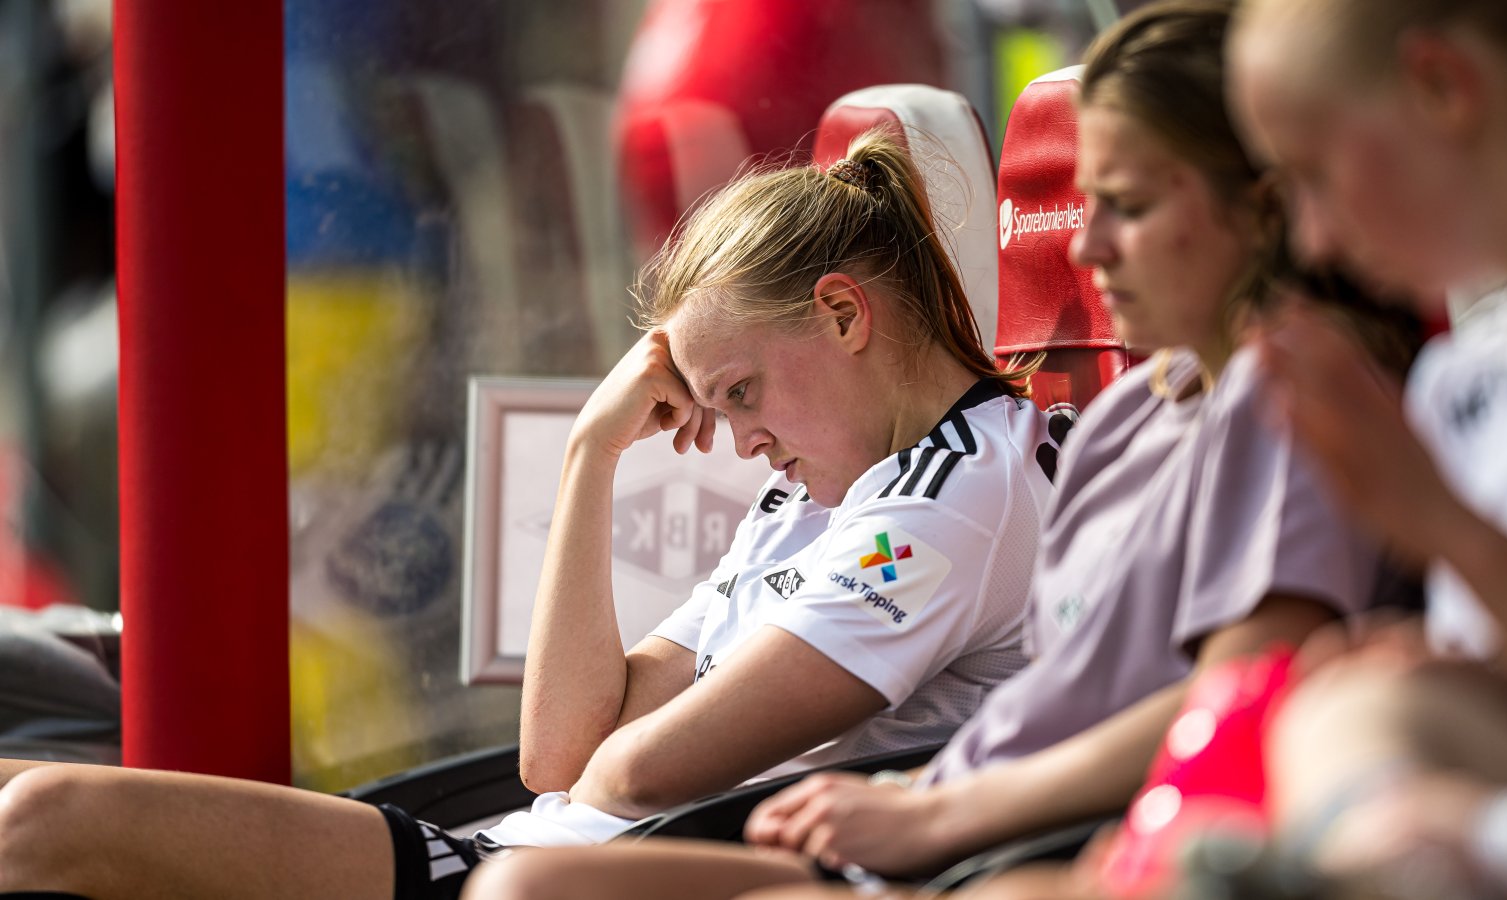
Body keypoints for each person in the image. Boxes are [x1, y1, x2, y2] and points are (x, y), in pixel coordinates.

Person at [457, 3, 1412, 897]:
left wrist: (934, 809)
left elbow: (1233, 707)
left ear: (1258, 204)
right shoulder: (1127, 421)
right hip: (931, 814)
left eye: (1129, 204)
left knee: (519, 886)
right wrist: (594, 450)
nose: (1087, 253)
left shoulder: (1285, 401)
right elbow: (565, 757)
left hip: (973, 841)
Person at [0, 129, 1068, 900]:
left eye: (741, 392)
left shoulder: (947, 505)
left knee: (46, 821)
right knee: (18, 794)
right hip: (514, 848)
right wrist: (588, 455)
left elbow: (637, 769)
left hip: (559, 876)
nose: (741, 440)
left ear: (842, 313)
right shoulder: (816, 496)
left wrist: (609, 752)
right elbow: (561, 756)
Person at [1215, 0, 1507, 894]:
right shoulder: (1466, 380)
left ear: (1443, 84)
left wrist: (1443, 525)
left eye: (1313, 172)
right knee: (1349, 710)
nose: (1311, 238)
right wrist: (1482, 673)